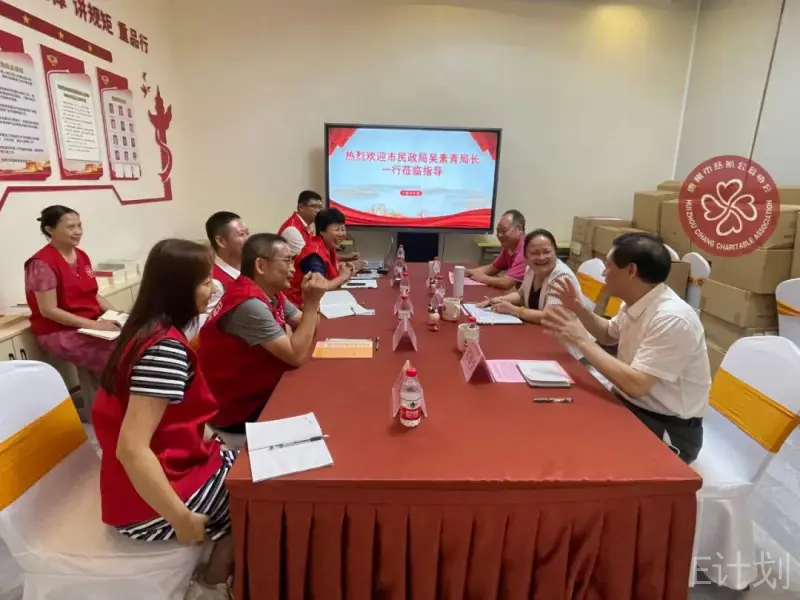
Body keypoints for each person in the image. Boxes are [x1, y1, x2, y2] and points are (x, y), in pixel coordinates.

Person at [92, 239, 234, 600]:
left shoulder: (147, 329)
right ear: (179, 288)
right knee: (259, 499)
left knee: (250, 466)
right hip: (146, 504)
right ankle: (212, 585)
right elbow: (132, 449)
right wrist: (181, 518)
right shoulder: (164, 350)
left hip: (169, 468)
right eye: (206, 281)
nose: (214, 288)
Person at [542, 232, 710, 464]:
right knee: (556, 419)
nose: (604, 273)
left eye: (608, 266)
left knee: (576, 450)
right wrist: (579, 309)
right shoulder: (639, 300)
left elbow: (636, 385)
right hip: (629, 405)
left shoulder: (672, 318)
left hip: (668, 429)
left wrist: (581, 341)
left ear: (631, 271)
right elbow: (608, 334)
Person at [198, 234, 326, 433]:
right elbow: (296, 356)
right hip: (238, 410)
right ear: (261, 266)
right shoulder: (249, 303)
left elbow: (311, 324)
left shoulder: (271, 292)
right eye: (287, 261)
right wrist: (312, 303)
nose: (293, 269)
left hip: (262, 389)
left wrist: (302, 321)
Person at [24, 205, 119, 377]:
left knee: (132, 338)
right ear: (50, 230)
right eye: (70, 227)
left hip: (88, 324)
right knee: (114, 352)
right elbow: (48, 310)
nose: (78, 231)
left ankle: (101, 393)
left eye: (79, 226)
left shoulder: (81, 255)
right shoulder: (41, 264)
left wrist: (119, 315)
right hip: (58, 331)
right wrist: (93, 325)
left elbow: (92, 294)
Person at [477, 228, 581, 323]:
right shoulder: (530, 269)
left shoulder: (562, 278)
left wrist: (514, 310)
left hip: (567, 335)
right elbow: (521, 296)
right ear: (525, 257)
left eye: (547, 252)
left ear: (555, 252)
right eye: (535, 253)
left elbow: (549, 317)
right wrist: (497, 300)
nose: (541, 257)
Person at [286, 208, 365, 306]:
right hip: (300, 306)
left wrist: (345, 268)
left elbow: (330, 271)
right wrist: (343, 276)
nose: (341, 234)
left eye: (343, 229)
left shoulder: (328, 245)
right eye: (336, 230)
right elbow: (320, 287)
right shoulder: (314, 255)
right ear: (322, 231)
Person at [465, 209, 527, 290]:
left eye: (504, 230)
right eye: (498, 231)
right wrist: (468, 272)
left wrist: (483, 278)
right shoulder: (509, 245)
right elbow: (493, 268)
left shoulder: (526, 249)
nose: (499, 235)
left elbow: (507, 283)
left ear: (519, 229)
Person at [205, 211, 249, 291]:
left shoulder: (252, 268)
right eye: (241, 234)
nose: (248, 240)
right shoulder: (213, 282)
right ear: (221, 241)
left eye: (247, 233)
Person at [278, 190, 323, 256]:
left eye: (320, 207)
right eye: (314, 206)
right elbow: (309, 257)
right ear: (301, 207)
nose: (318, 211)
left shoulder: (308, 226)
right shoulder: (291, 229)